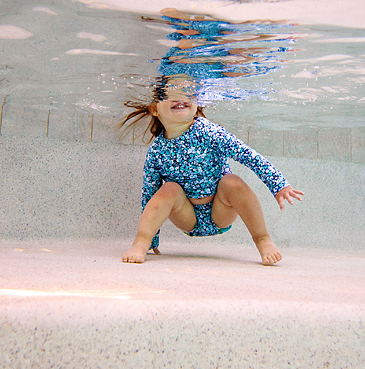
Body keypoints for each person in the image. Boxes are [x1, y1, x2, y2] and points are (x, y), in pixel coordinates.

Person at [121, 84, 303, 265]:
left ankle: (262, 238)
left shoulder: (210, 132)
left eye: (187, 92)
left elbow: (248, 155)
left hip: (220, 210)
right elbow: (150, 194)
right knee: (168, 189)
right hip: (187, 216)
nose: (180, 97)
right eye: (171, 94)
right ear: (154, 108)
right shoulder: (156, 151)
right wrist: (152, 239)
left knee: (232, 182)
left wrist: (278, 184)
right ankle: (141, 242)